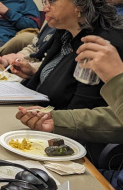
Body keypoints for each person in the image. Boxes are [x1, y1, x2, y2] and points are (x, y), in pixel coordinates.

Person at [16, 36, 123, 188]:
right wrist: (58, 120)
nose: (46, 10)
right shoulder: (65, 37)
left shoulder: (108, 40)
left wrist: (117, 79)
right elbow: (117, 118)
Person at [10, 0, 123, 110]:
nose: (45, 8)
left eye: (51, 1)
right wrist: (33, 74)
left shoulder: (100, 44)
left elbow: (81, 111)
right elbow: (62, 83)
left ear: (80, 3)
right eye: (45, 1)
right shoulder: (66, 31)